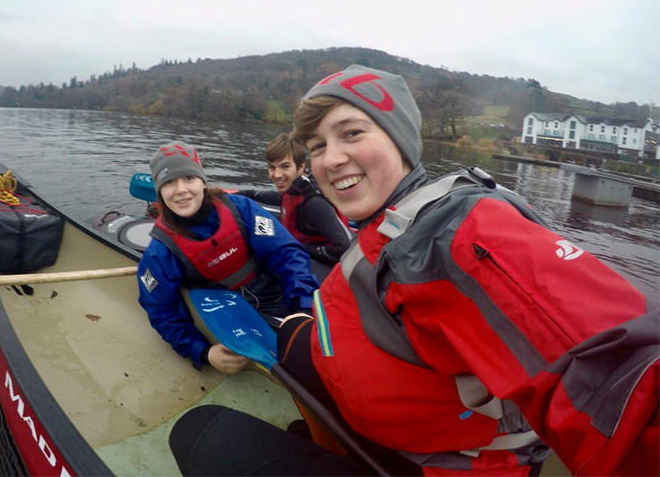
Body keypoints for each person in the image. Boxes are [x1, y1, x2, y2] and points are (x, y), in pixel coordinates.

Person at [169, 66, 659, 476]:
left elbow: (624, 374)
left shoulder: (453, 229)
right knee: (294, 340)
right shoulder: (385, 220)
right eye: (316, 146)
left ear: (400, 140)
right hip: (395, 416)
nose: (330, 158)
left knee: (198, 432)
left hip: (438, 465)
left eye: (352, 133)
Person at [136, 141, 320, 375]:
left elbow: (286, 253)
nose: (181, 190)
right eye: (169, 182)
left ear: (202, 182)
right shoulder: (160, 252)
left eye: (189, 178)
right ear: (159, 192)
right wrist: (204, 352)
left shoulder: (242, 209)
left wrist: (303, 305)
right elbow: (161, 311)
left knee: (314, 344)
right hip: (223, 313)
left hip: (270, 292)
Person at [238, 133, 353, 281]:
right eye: (271, 167)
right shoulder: (293, 189)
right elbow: (269, 197)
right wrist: (236, 195)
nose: (277, 175)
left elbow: (343, 248)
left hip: (329, 268)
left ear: (301, 167)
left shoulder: (313, 204)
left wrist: (300, 246)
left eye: (285, 167)